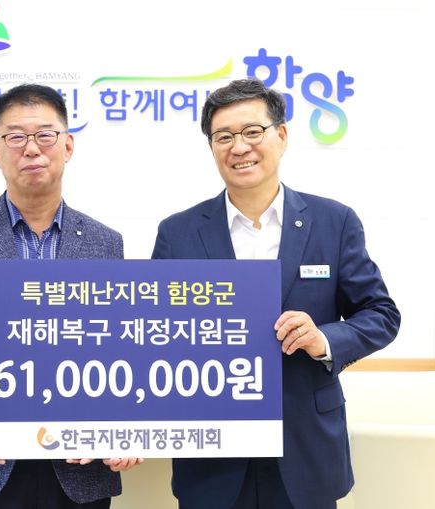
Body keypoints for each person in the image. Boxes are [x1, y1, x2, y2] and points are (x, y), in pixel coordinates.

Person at [151, 78, 401, 509]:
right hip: (213, 457)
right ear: (211, 147)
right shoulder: (178, 233)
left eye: (253, 132)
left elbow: (381, 313)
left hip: (304, 450)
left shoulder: (334, 221)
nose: (239, 147)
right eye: (223, 136)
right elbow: (153, 332)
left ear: (281, 136)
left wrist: (323, 339)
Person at [0, 84, 139, 509]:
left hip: (79, 468)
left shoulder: (105, 243)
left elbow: (120, 347)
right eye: (15, 137)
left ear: (68, 145)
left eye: (45, 135)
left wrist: (122, 425)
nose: (31, 148)